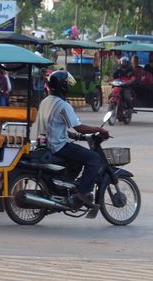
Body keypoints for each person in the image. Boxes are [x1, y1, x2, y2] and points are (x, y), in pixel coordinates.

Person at [34, 71, 110, 208]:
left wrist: (73, 136)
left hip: (44, 144)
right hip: (58, 146)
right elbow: (79, 127)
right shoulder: (63, 105)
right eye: (67, 84)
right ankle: (83, 192)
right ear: (63, 86)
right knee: (93, 159)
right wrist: (99, 129)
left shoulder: (45, 101)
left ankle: (65, 188)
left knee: (78, 161)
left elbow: (54, 125)